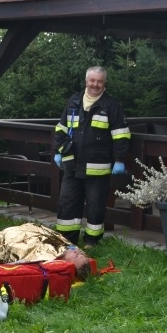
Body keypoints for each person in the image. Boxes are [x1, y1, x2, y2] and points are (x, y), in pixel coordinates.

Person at [52, 66, 130, 246]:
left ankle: (91, 241)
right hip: (71, 164)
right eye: (92, 80)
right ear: (86, 81)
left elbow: (121, 135)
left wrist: (119, 160)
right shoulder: (74, 101)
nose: (95, 84)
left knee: (96, 206)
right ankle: (66, 241)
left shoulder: (111, 106)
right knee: (67, 202)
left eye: (99, 81)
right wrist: (57, 151)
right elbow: (61, 128)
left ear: (104, 83)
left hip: (98, 166)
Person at [0, 222, 92, 281]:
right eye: (81, 254)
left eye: (76, 257)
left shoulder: (46, 260)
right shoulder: (65, 246)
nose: (77, 252)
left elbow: (19, 253)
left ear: (66, 265)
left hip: (6, 240)